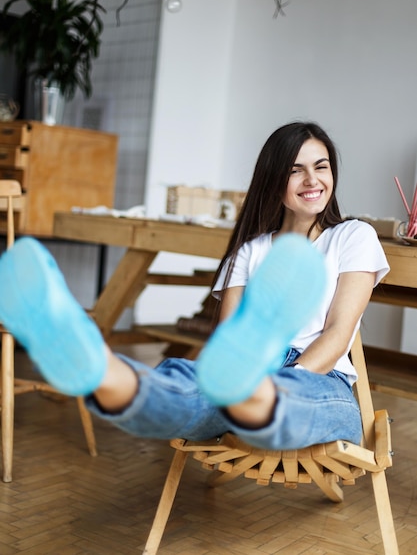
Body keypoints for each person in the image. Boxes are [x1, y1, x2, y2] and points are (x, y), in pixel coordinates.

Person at [0, 121, 389, 451]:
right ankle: (103, 373)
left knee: (279, 399)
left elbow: (339, 334)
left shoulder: (353, 236)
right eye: (295, 170)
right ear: (274, 182)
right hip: (241, 371)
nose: (312, 180)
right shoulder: (251, 251)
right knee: (191, 387)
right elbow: (226, 340)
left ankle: (255, 393)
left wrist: (277, 377)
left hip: (319, 381)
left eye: (321, 167)